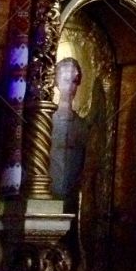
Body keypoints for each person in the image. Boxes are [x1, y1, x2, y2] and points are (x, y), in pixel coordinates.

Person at [50, 57, 89, 203]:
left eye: (74, 81)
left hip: (72, 197)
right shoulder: (47, 122)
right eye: (66, 80)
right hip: (48, 195)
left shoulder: (82, 125)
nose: (70, 87)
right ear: (57, 82)